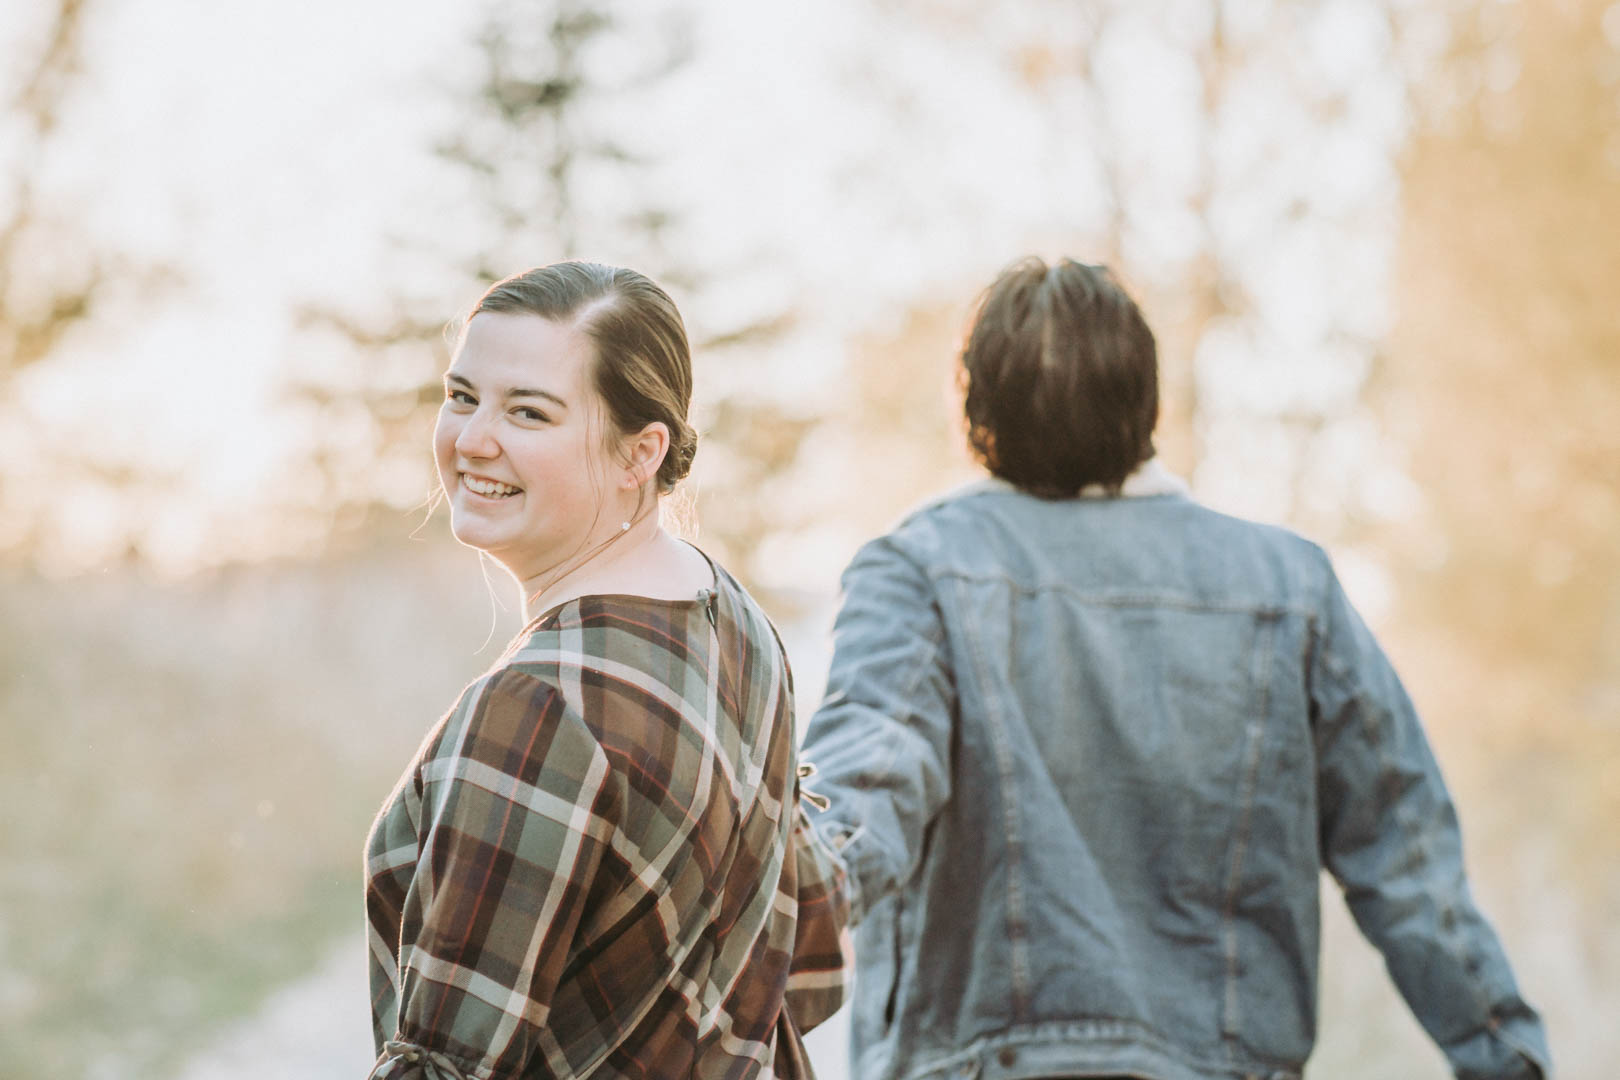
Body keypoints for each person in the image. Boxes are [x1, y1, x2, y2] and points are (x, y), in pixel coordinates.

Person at [800, 257, 1551, 1080]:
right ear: (1146, 402)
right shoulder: (1289, 590)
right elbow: (1410, 869)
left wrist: (748, 933)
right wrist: (1506, 1059)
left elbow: (859, 798)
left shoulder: (919, 570)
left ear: (978, 410)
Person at [363, 261, 848, 1080]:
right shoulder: (734, 616)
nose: (474, 437)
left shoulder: (538, 706)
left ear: (640, 453)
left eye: (529, 412)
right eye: (462, 396)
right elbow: (805, 940)